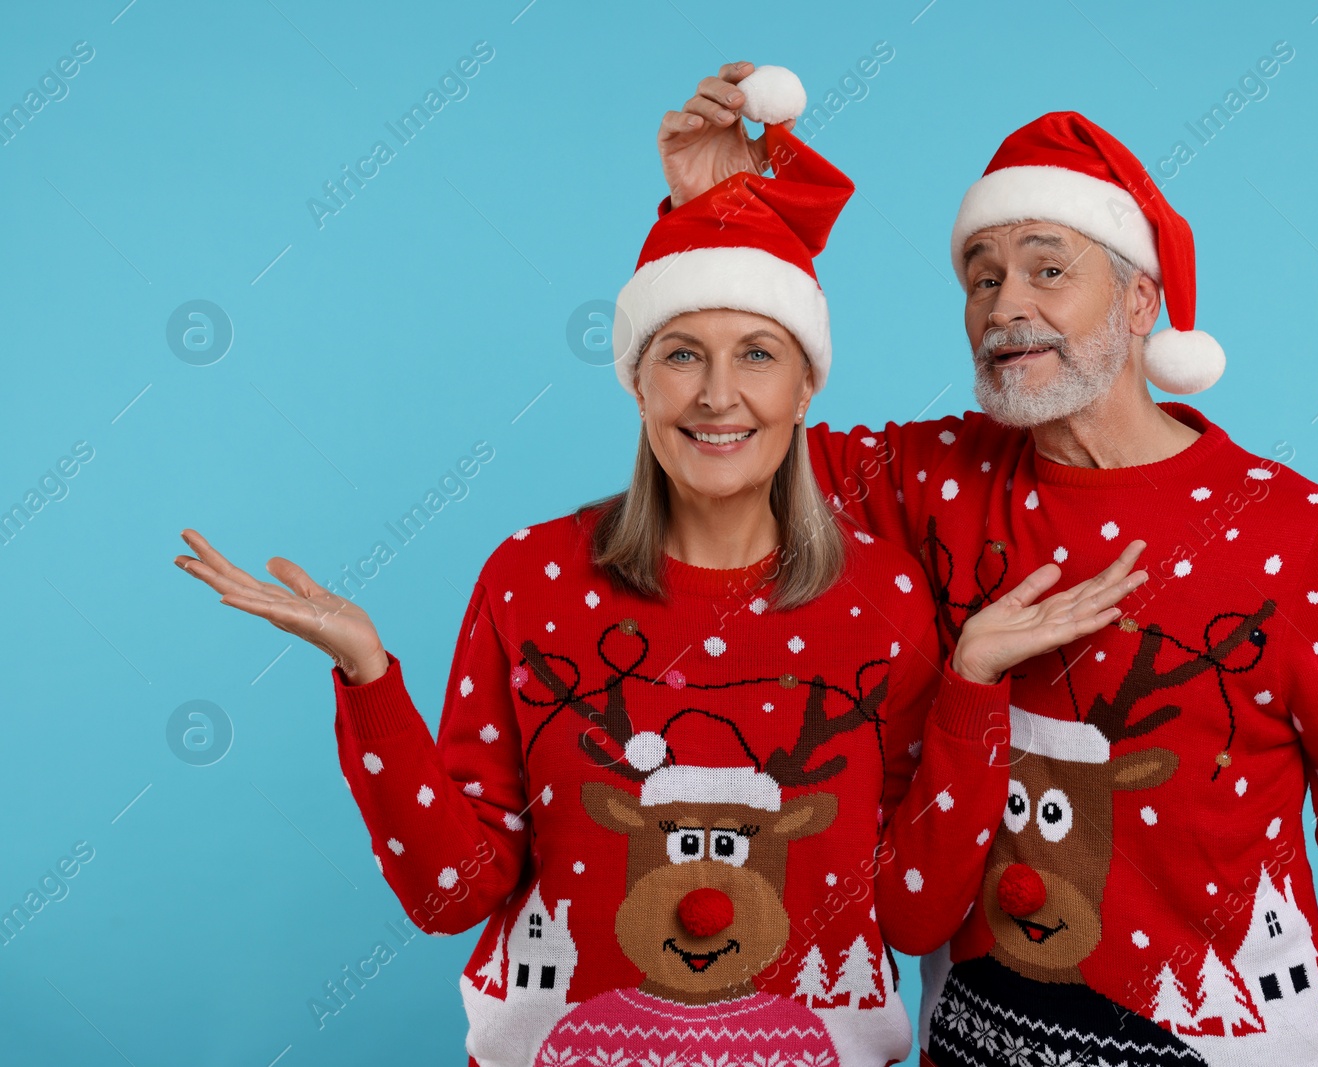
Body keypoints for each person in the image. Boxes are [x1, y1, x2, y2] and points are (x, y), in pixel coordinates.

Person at [174, 69, 1151, 1067]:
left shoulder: (885, 600)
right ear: (636, 378)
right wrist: (369, 675)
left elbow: (912, 910)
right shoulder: (527, 578)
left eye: (758, 354)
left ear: (808, 385)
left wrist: (972, 690)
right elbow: (451, 893)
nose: (718, 395)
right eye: (681, 353)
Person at [657, 65, 1318, 1067]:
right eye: (980, 276)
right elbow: (721, 450)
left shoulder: (1297, 534)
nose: (1001, 304)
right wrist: (724, 223)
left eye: (1045, 268)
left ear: (1139, 300)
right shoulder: (932, 479)